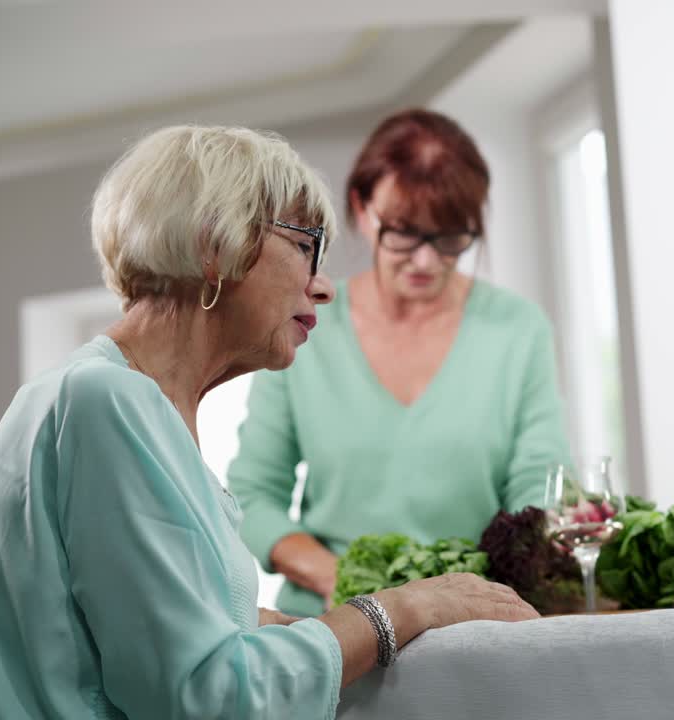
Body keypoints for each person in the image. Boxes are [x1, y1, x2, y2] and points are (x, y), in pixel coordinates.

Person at [0, 125, 537, 719]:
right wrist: (402, 609)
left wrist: (349, 626)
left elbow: (182, 641)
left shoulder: (109, 398)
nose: (323, 287)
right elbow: (205, 696)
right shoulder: (106, 403)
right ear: (216, 244)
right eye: (305, 247)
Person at [229, 109, 572, 618]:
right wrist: (344, 581)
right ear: (362, 210)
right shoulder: (305, 323)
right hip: (334, 626)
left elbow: (538, 489)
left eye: (452, 237)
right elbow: (253, 495)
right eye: (405, 233)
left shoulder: (517, 329)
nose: (426, 261)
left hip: (471, 620)